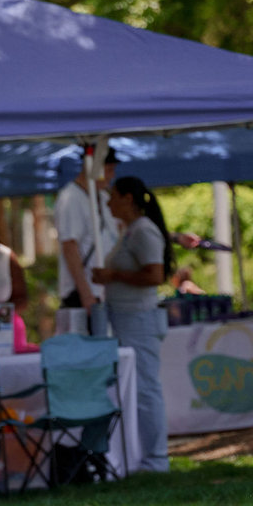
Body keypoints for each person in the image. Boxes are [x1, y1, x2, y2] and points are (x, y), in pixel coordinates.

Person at [91, 176, 173, 473]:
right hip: (127, 318)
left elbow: (155, 276)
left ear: (128, 198)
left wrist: (113, 276)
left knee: (146, 388)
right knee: (138, 387)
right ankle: (145, 456)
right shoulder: (130, 231)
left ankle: (156, 458)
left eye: (113, 195)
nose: (108, 201)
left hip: (139, 318)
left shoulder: (143, 231)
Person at [54, 147, 120, 313]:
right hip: (85, 296)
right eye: (109, 170)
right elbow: (69, 246)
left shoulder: (103, 197)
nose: (112, 176)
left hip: (105, 292)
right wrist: (86, 294)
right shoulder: (71, 198)